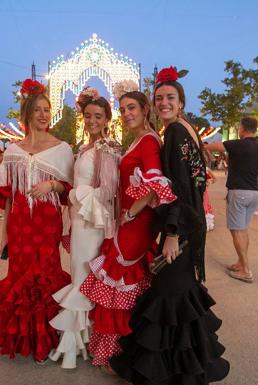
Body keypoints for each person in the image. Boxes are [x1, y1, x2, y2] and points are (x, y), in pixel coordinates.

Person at [110, 67, 229, 384]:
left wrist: (172, 234)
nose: (164, 102)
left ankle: (176, 372)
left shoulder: (175, 133)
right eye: (159, 97)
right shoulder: (186, 129)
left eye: (170, 98)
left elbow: (175, 188)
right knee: (178, 293)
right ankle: (184, 367)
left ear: (181, 101)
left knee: (170, 296)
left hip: (183, 228)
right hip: (192, 224)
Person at [79, 84, 175, 368]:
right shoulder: (137, 140)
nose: (126, 113)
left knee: (119, 281)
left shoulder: (148, 141)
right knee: (122, 285)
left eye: (132, 108)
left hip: (135, 223)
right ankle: (122, 350)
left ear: (145, 109)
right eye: (122, 110)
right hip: (128, 220)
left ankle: (117, 354)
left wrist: (131, 212)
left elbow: (157, 182)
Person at [0, 79, 74, 363]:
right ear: (27, 114)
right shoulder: (12, 151)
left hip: (47, 224)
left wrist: (53, 186)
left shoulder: (62, 149)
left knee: (45, 274)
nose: (44, 114)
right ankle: (23, 337)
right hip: (20, 226)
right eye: (38, 109)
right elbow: (8, 196)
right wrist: (4, 234)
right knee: (20, 276)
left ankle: (46, 336)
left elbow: (70, 190)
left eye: (47, 109)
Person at [48, 87, 120, 369]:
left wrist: (77, 194)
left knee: (84, 275)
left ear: (106, 119)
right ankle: (81, 338)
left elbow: (108, 192)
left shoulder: (108, 148)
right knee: (80, 271)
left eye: (98, 116)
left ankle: (77, 342)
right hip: (79, 220)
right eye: (88, 115)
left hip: (92, 221)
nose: (92, 121)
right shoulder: (85, 147)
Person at [205, 116, 258, 283]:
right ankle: (241, 263)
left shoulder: (237, 144)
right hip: (253, 194)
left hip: (238, 192)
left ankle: (246, 270)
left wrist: (202, 145)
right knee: (244, 229)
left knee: (237, 230)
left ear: (243, 128)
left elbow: (214, 146)